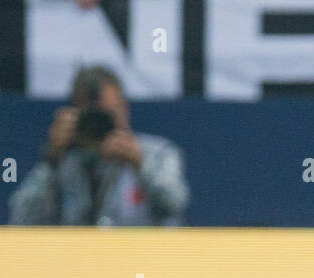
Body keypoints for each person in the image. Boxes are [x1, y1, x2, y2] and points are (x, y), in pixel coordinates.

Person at [10, 65, 189, 227]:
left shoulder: (157, 154)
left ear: (124, 109)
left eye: (108, 115)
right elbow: (22, 219)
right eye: (92, 117)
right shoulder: (63, 162)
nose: (100, 125)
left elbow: (176, 204)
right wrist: (51, 161)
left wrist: (140, 164)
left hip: (140, 258)